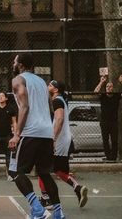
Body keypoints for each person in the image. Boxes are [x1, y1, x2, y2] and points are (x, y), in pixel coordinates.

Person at [9, 53, 65, 219]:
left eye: (14, 61)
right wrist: (51, 136)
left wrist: (17, 134)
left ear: (20, 65)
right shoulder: (41, 82)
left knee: (16, 172)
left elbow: (24, 107)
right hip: (46, 132)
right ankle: (59, 213)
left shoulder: (18, 79)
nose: (13, 63)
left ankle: (38, 209)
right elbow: (50, 109)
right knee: (44, 173)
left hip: (30, 132)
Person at [38, 80, 88, 208]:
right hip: (63, 140)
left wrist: (53, 139)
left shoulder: (57, 101)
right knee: (59, 170)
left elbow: (59, 119)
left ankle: (46, 199)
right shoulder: (59, 100)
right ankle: (78, 187)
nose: (47, 86)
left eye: (50, 85)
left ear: (55, 89)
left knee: (42, 168)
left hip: (58, 140)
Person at [94, 76, 120, 161]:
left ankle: (114, 157)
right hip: (104, 122)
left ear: (113, 88)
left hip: (113, 122)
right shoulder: (103, 96)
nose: (108, 88)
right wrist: (101, 82)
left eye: (110, 86)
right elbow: (95, 92)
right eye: (107, 86)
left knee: (114, 140)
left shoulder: (116, 96)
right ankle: (108, 156)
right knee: (105, 140)